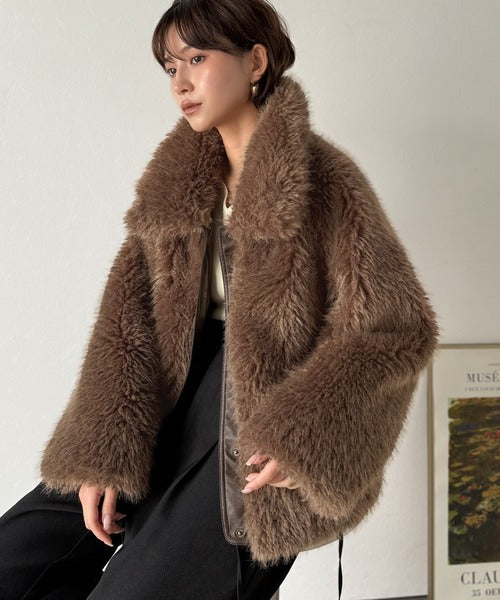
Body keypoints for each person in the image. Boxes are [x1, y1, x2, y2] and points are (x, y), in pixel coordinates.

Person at [0, 0, 440, 598]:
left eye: (197, 59)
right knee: (14, 562)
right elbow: (127, 324)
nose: (179, 83)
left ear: (255, 62)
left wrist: (303, 434)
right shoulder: (174, 189)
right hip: (160, 408)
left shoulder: (325, 183)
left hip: (252, 434)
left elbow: (396, 329)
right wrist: (102, 448)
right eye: (169, 67)